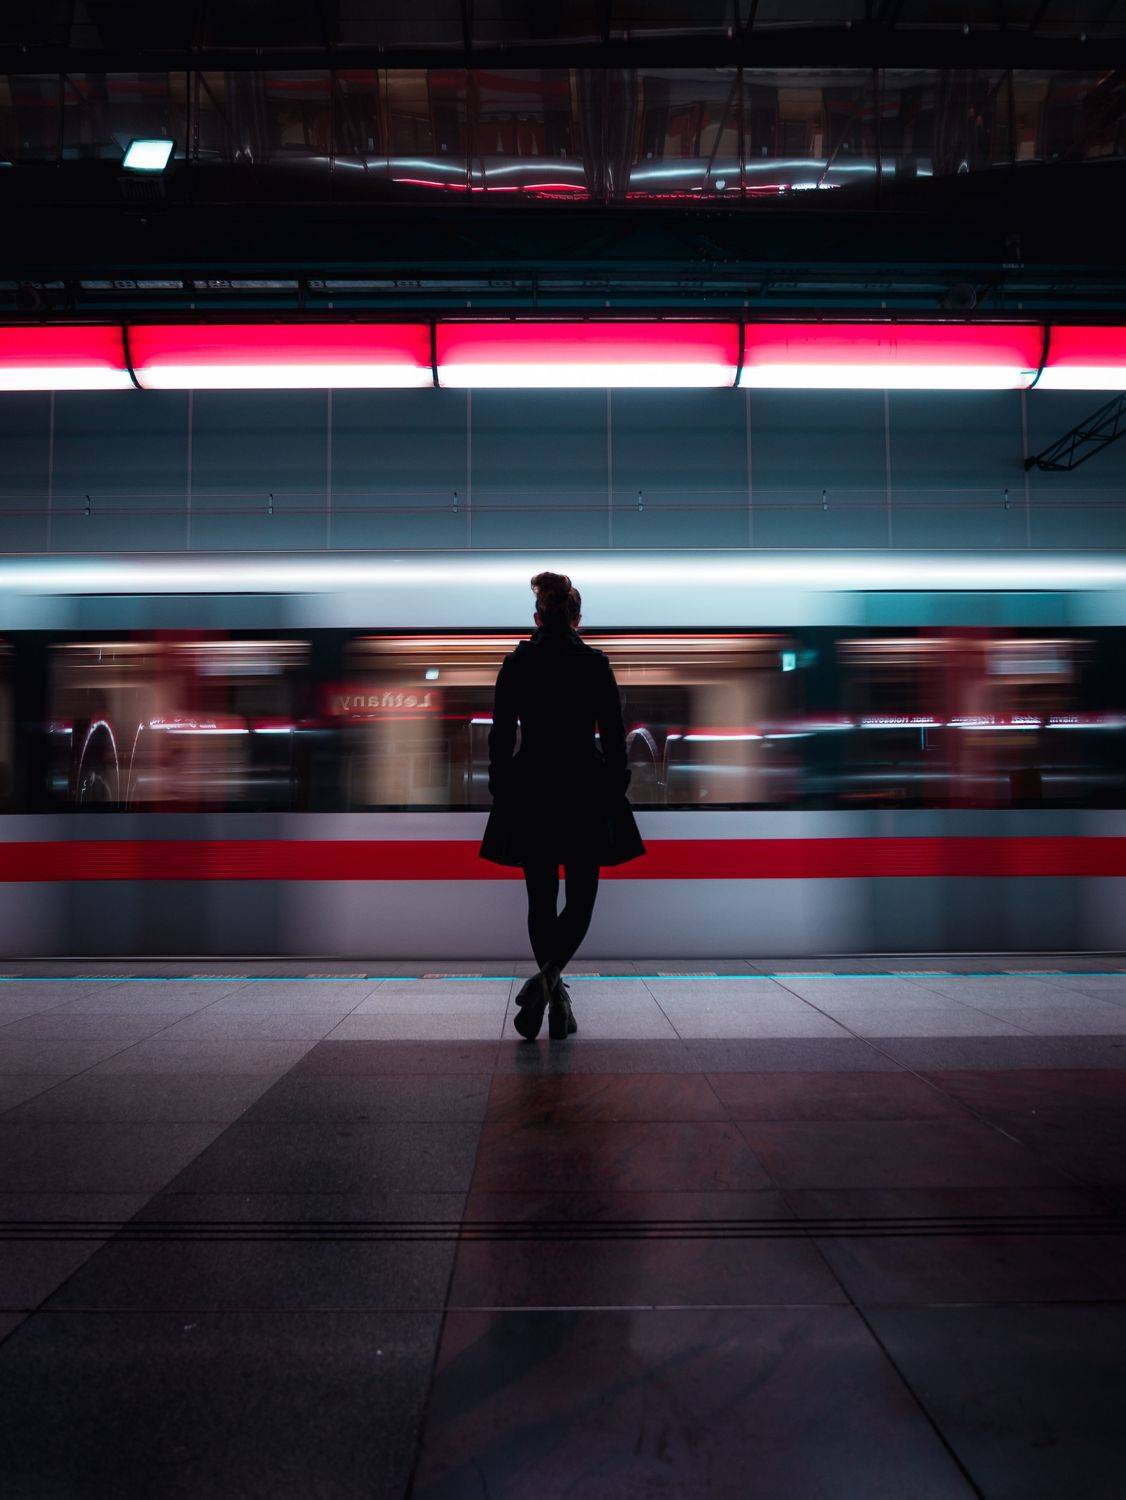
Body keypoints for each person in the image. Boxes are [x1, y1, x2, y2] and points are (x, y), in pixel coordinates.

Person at [479, 571, 646, 1040]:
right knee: (582, 899)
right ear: (576, 617)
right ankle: (550, 990)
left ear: (537, 617)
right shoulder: (594, 664)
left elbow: (499, 735)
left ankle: (550, 995)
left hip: (530, 788)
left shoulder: (516, 664)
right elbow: (614, 738)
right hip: (583, 790)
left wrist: (501, 784)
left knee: (539, 901)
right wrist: (615, 787)